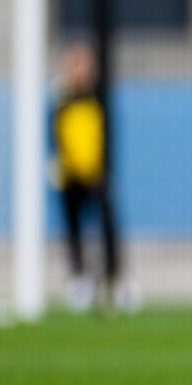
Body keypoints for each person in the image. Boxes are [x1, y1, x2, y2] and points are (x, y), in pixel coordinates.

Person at [50, 42, 132, 312]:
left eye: (84, 66)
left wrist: (103, 168)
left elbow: (106, 136)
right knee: (73, 228)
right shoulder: (61, 101)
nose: (80, 72)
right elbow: (56, 136)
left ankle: (114, 278)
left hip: (95, 174)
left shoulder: (98, 99)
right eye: (76, 67)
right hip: (70, 175)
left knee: (107, 224)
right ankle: (80, 279)